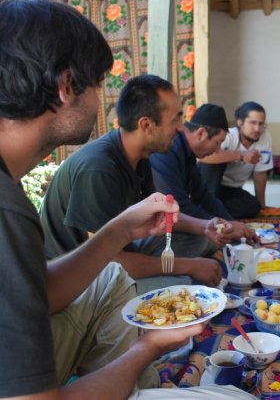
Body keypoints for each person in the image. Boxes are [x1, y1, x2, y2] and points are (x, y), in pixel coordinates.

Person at [0, 0, 205, 399]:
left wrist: (116, 230)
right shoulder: (7, 210)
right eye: (98, 84)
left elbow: (41, 293)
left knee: (110, 275)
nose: (102, 100)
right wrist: (145, 350)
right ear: (66, 86)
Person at [40, 74, 229, 293]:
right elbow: (109, 262)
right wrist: (188, 266)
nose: (181, 128)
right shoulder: (99, 169)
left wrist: (205, 226)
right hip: (77, 279)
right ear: (146, 125)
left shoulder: (139, 156)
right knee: (180, 288)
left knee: (199, 240)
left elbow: (159, 217)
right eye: (175, 120)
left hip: (118, 252)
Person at [150, 103, 257, 243]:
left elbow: (203, 196)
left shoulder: (187, 152)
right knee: (213, 243)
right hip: (150, 230)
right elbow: (177, 207)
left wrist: (231, 223)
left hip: (174, 216)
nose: (218, 150)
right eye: (218, 142)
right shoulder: (168, 149)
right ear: (201, 133)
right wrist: (224, 226)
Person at [197, 101, 273, 219]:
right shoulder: (228, 136)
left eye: (261, 124)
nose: (257, 129)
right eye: (252, 123)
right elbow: (203, 157)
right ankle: (205, 209)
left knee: (253, 206)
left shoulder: (264, 137)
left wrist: (262, 206)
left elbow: (260, 173)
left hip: (231, 190)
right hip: (210, 185)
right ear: (240, 121)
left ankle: (212, 212)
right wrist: (241, 155)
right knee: (215, 159)